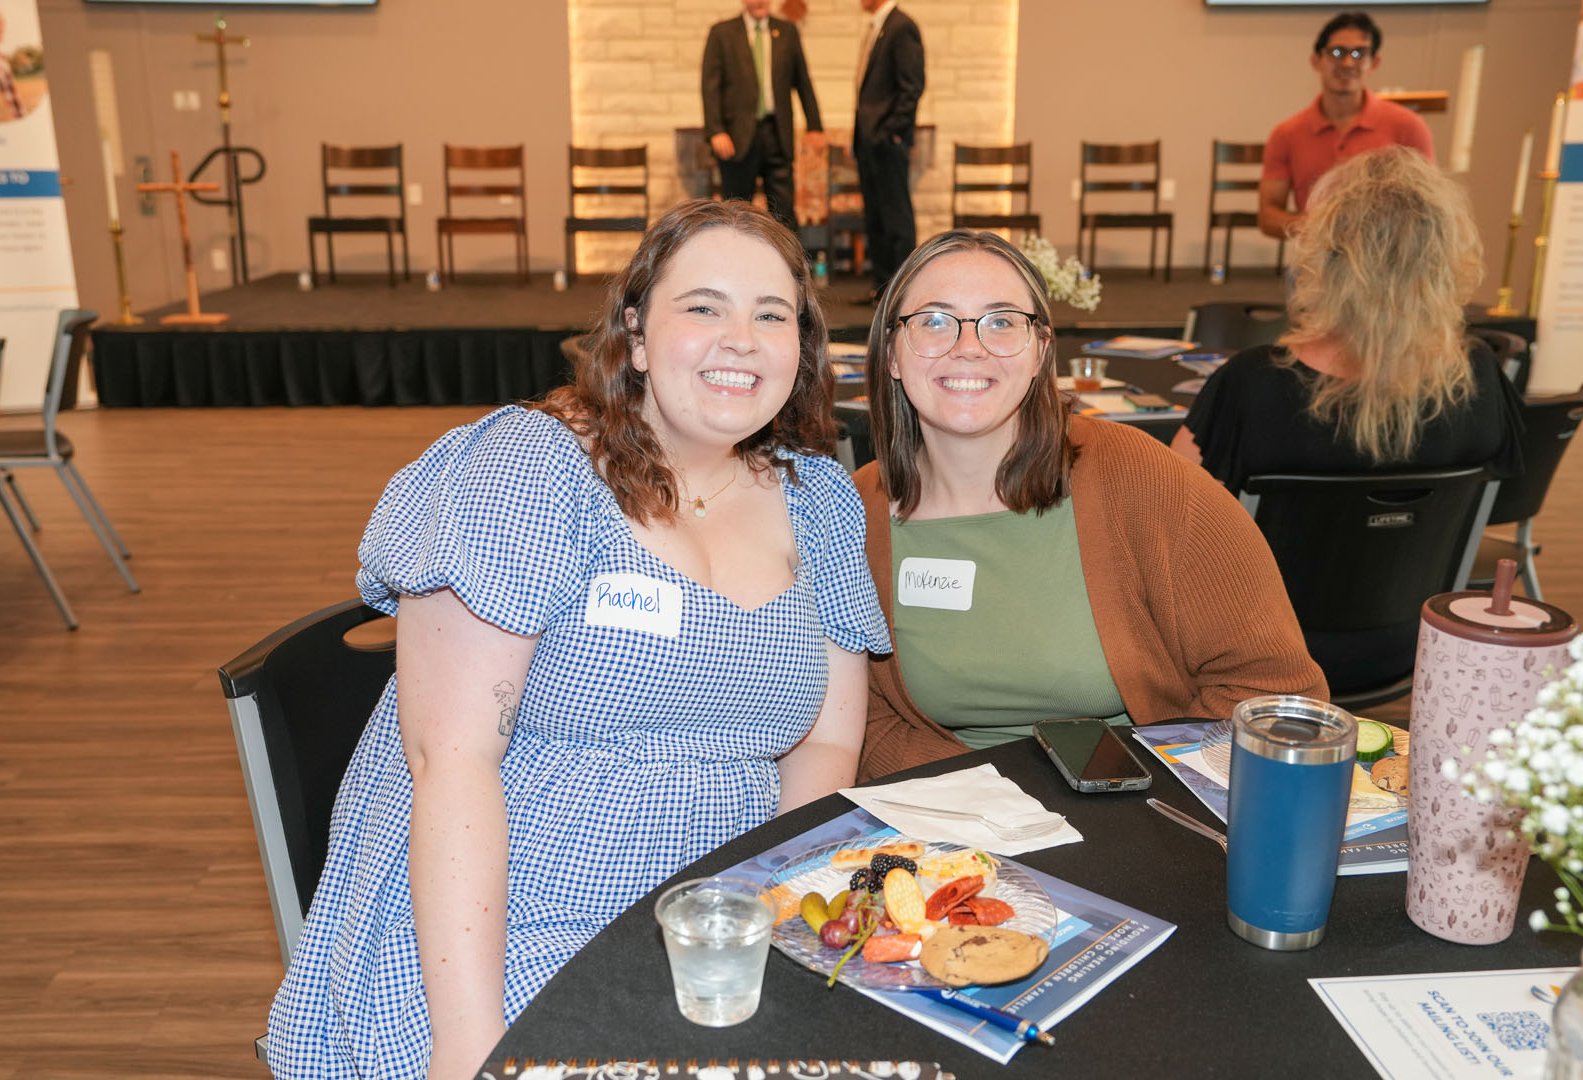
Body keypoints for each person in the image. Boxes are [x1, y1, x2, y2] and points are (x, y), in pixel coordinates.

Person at [266, 199, 890, 1080]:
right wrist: (470, 1043)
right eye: (703, 307)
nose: (740, 339)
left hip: (717, 902)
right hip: (505, 906)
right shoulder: (529, 471)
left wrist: (765, 914)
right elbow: (452, 764)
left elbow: (828, 737)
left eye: (771, 314)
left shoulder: (819, 502)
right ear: (635, 333)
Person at [852, 229, 1325, 783]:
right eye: (934, 320)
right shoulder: (853, 514)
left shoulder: (1144, 482)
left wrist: (1132, 801)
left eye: (1002, 320)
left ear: (1041, 352)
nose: (969, 346)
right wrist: (991, 802)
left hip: (1142, 804)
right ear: (891, 355)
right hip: (951, 824)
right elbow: (863, 718)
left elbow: (1275, 696)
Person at [1175, 147, 1522, 693]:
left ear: (1326, 257)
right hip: (1412, 644)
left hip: (1258, 656)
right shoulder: (1480, 377)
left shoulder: (1253, 384)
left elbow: (1166, 521)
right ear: (1443, 260)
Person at [1258, 11, 1433, 240]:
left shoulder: (1409, 127)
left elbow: (1429, 210)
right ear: (1316, 60)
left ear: (1374, 62)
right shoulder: (1286, 134)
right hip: (1316, 261)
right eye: (1337, 52)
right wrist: (1319, 228)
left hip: (1388, 264)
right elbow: (1267, 216)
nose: (1348, 62)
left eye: (1359, 53)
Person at [701, 0, 822, 231]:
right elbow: (710, 87)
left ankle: (787, 266)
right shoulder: (722, 33)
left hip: (777, 134)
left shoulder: (787, 32)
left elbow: (803, 82)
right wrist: (716, 130)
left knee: (784, 210)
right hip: (736, 139)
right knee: (735, 212)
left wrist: (815, 125)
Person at [853, 0, 924, 299]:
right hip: (869, 140)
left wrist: (892, 132)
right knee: (876, 218)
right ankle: (882, 290)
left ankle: (903, 293)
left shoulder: (901, 26)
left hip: (886, 140)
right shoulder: (879, 27)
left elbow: (912, 86)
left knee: (896, 218)